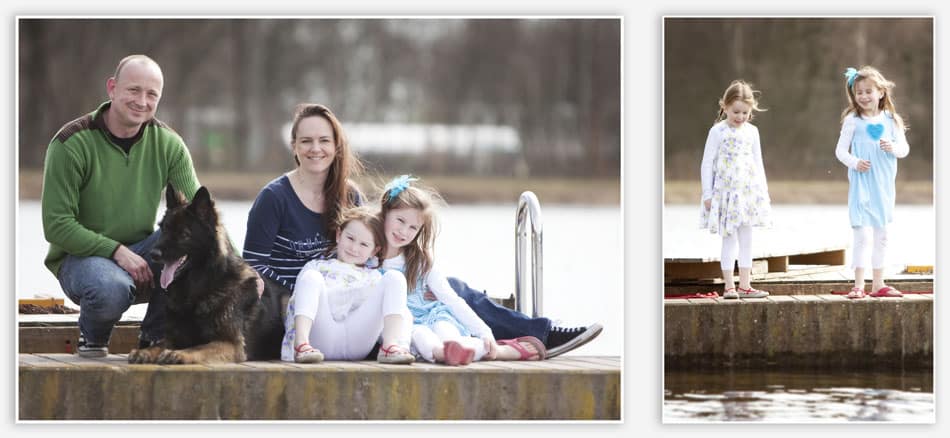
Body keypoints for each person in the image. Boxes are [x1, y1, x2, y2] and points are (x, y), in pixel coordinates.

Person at [244, 103, 600, 360]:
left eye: (323, 140)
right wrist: (309, 281)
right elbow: (253, 263)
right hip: (309, 304)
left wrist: (411, 268)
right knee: (433, 294)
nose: (315, 149)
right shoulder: (274, 197)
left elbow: (372, 243)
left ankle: (540, 331)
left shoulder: (347, 193)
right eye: (306, 141)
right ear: (294, 147)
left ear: (336, 146)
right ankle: (519, 338)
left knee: (445, 286)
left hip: (357, 292)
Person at [41, 54, 201, 357]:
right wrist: (117, 252)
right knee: (110, 287)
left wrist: (241, 269)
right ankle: (93, 341)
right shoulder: (71, 143)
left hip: (144, 251)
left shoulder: (168, 143)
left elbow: (202, 218)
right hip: (81, 259)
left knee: (193, 247)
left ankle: (152, 340)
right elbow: (57, 224)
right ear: (112, 88)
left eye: (151, 94)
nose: (142, 101)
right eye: (133, 90)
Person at [377, 176, 546, 365]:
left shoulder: (420, 262)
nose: (404, 232)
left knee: (449, 335)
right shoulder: (369, 259)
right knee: (422, 338)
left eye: (413, 228)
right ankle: (492, 352)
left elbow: (452, 300)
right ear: (385, 213)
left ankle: (490, 349)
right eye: (400, 220)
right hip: (406, 327)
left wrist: (484, 332)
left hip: (435, 315)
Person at [281, 206, 414, 364]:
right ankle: (301, 345)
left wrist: (403, 342)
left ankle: (390, 347)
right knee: (310, 277)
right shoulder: (315, 267)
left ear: (374, 250)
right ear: (339, 235)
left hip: (356, 341)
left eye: (364, 245)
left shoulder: (374, 277)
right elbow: (297, 304)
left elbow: (393, 314)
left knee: (395, 278)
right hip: (322, 337)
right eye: (350, 239)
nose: (354, 248)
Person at [835, 66, 910, 299]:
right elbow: (840, 151)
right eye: (859, 92)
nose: (864, 96)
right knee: (862, 235)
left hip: (884, 186)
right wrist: (855, 162)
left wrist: (893, 148)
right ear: (854, 95)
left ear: (880, 92)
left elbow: (904, 149)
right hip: (862, 185)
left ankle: (879, 284)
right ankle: (858, 285)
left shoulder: (891, 120)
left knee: (882, 234)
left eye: (869, 91)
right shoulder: (852, 121)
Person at [699, 79, 773, 299]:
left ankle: (746, 285)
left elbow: (758, 163)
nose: (740, 117)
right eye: (735, 112)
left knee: (747, 239)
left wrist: (764, 193)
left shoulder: (752, 132)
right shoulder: (717, 131)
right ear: (725, 106)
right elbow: (706, 163)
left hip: (749, 194)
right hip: (726, 194)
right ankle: (729, 286)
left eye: (744, 113)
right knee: (729, 239)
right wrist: (707, 194)